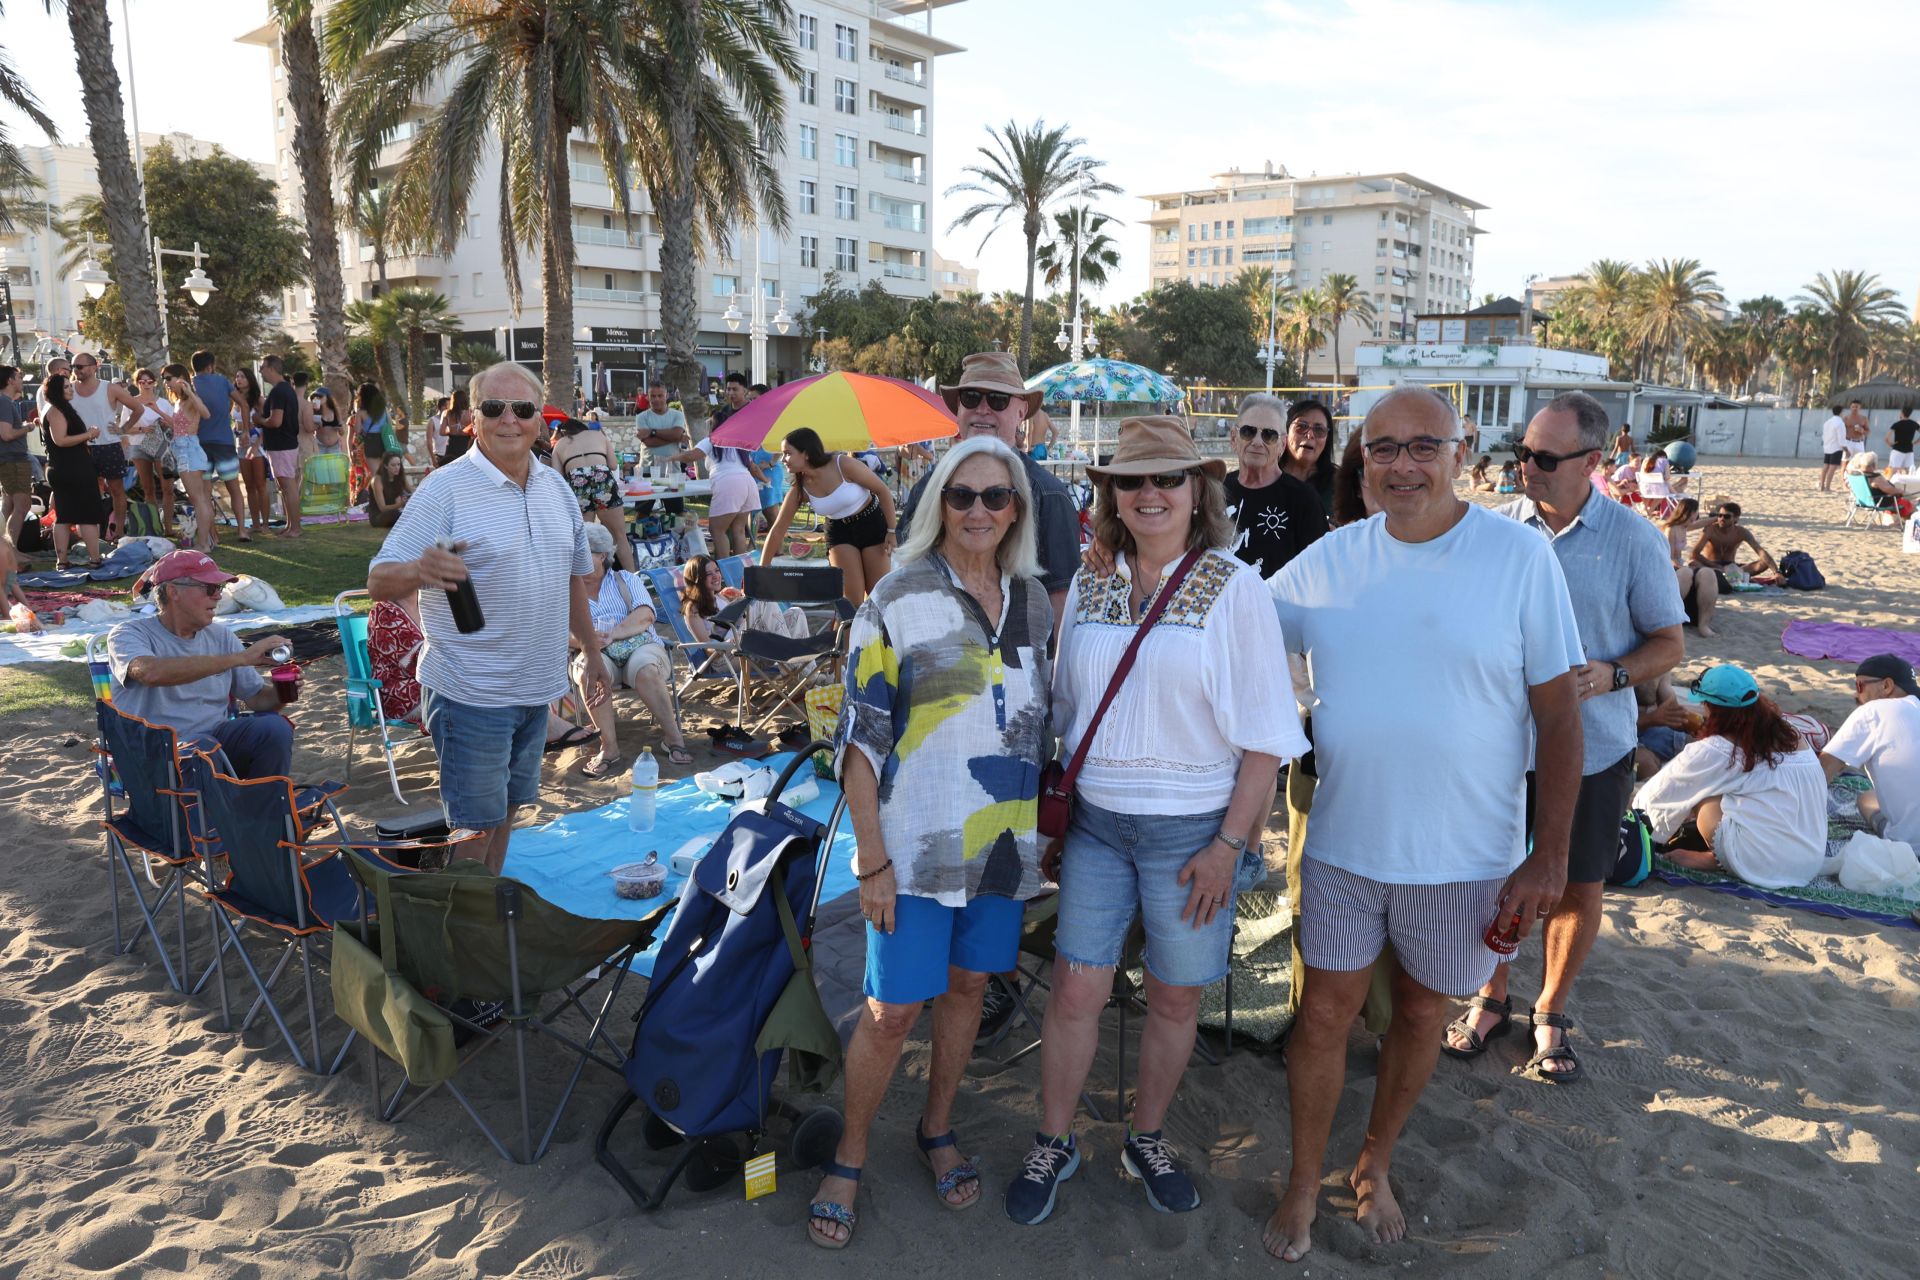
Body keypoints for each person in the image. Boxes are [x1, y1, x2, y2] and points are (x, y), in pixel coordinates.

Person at [1264, 385, 1584, 1263]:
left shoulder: (1520, 558)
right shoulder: (1329, 560)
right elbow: (1233, 631)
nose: (1402, 464)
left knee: (1418, 1016)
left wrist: (1546, 855)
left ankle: (1375, 1158)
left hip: (1468, 854)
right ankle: (1301, 1180)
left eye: (1422, 446)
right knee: (1323, 1018)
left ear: (1461, 451)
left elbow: (1559, 718)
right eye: (1383, 448)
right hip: (1344, 842)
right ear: (1360, 458)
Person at [1007, 417, 1305, 1227]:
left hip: (1192, 836)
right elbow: (1065, 709)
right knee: (1076, 989)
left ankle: (1147, 1136)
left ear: (1196, 491)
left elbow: (1266, 740)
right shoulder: (1093, 587)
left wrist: (1227, 847)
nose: (1149, 494)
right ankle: (1054, 1139)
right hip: (1100, 825)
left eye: (1166, 479)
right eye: (1130, 481)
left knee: (1175, 1000)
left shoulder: (1234, 588)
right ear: (1109, 497)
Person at [804, 436, 1053, 1248]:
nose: (978, 510)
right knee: (889, 1011)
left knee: (971, 994)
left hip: (1001, 852)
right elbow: (859, 746)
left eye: (995, 496)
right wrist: (870, 860)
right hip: (911, 852)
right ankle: (849, 1153)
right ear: (937, 502)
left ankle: (936, 1129)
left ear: (1016, 508)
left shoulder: (1035, 602)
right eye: (961, 495)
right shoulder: (896, 598)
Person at [1443, 393, 1686, 1084]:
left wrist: (1612, 674)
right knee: (1492, 878)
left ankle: (1549, 1009)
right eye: (1522, 452)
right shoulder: (1490, 529)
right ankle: (1490, 995)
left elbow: (1668, 643)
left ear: (1595, 460)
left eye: (1545, 458)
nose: (1527, 467)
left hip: (1595, 748)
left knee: (1577, 885)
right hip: (1492, 748)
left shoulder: (1634, 539)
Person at [367, 361, 610, 874]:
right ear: (473, 418)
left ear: (539, 421)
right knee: (474, 830)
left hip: (536, 691)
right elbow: (378, 580)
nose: (509, 421)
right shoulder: (445, 489)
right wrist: (418, 568)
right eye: (494, 409)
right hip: (470, 694)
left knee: (506, 816)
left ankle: (481, 918)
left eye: (521, 409)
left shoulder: (557, 490)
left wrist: (591, 653)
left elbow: (572, 580)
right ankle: (462, 936)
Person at [898, 351, 1080, 627]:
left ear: (1021, 411)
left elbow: (1061, 607)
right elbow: (906, 573)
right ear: (959, 408)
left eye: (998, 399)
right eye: (971, 397)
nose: (983, 409)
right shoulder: (927, 488)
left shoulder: (1048, 495)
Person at [106, 550, 297, 779]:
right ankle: (229, 808)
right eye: (210, 588)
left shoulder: (221, 636)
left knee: (274, 729)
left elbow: (257, 699)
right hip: (156, 753)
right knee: (204, 751)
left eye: (220, 588)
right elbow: (150, 672)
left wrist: (283, 691)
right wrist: (241, 658)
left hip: (214, 742)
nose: (217, 597)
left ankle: (264, 808)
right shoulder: (129, 634)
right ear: (173, 591)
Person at [1634, 666, 1827, 888]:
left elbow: (1655, 796)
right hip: (1811, 859)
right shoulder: (1792, 734)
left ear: (1712, 709)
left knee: (1704, 798)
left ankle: (1714, 860)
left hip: (1763, 863)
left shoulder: (1717, 749)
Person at [571, 520, 690, 778]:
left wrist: (612, 634)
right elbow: (559, 631)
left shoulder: (625, 579)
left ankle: (672, 737)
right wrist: (588, 640)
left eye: (583, 552)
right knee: (588, 673)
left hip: (639, 644)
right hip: (595, 651)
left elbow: (646, 614)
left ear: (602, 555)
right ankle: (609, 747)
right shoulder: (569, 588)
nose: (576, 557)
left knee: (646, 669)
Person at [759, 427, 896, 605]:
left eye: (788, 453)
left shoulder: (843, 464)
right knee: (851, 604)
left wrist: (892, 530)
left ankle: (883, 633)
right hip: (839, 532)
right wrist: (761, 570)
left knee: (879, 597)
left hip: (871, 523)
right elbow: (777, 530)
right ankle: (847, 631)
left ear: (806, 454)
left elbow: (882, 490)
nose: (783, 459)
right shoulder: (799, 490)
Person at [1218, 392, 1329, 578]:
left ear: (1282, 444)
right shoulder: (1215, 491)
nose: (1257, 442)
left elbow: (1318, 573)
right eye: (1248, 431)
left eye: (1269, 435)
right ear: (1233, 438)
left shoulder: (1303, 500)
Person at [1819, 655, 1920, 847]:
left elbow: (1820, 773)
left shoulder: (1872, 711)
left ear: (1886, 686)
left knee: (1866, 799)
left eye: (1859, 686)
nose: (1855, 695)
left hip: (1911, 847)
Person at [66, 351, 143, 540]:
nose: (76, 370)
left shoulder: (109, 388)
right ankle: (91, 533)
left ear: (94, 367)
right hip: (81, 447)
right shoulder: (69, 389)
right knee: (87, 491)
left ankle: (118, 532)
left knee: (117, 490)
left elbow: (138, 408)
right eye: (73, 366)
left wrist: (123, 428)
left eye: (80, 366)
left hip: (108, 445)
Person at [661, 424, 764, 558]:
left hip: (729, 484)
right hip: (747, 483)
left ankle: (722, 569)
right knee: (738, 530)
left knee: (717, 531)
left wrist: (671, 458)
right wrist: (765, 479)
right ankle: (739, 570)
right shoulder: (736, 443)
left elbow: (691, 456)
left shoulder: (712, 439)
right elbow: (753, 467)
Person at [552, 414, 637, 571]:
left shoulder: (560, 445)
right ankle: (633, 580)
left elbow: (557, 476)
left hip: (578, 484)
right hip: (602, 479)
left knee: (584, 539)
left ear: (565, 432)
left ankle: (588, 582)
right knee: (619, 537)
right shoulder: (598, 435)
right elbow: (612, 464)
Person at [39, 373, 104, 567]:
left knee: (65, 516)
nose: (70, 389)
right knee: (87, 516)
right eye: (66, 387)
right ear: (57, 390)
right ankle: (94, 559)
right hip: (72, 469)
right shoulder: (56, 410)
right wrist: (88, 434)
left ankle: (63, 561)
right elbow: (61, 440)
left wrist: (86, 436)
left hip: (64, 468)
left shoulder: (57, 409)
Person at [191, 351, 252, 542]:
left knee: (205, 492)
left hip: (200, 443)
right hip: (224, 441)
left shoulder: (190, 384)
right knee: (234, 487)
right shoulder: (222, 381)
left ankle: (213, 534)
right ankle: (242, 530)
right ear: (210, 365)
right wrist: (245, 431)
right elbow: (243, 403)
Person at [158, 366, 216, 553]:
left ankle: (203, 543)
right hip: (182, 449)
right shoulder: (178, 401)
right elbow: (178, 426)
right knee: (198, 499)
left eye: (169, 378)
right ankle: (205, 541)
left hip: (189, 450)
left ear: (181, 377)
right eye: (164, 379)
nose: (166, 382)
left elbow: (206, 414)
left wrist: (190, 392)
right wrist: (159, 413)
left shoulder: (191, 398)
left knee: (199, 499)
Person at [1688, 501, 1777, 611]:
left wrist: (1777, 573)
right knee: (1692, 563)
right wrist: (1717, 568)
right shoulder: (1710, 530)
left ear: (1736, 519)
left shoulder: (1741, 532)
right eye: (1719, 515)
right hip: (1712, 567)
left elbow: (1760, 550)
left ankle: (1732, 576)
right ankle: (1727, 576)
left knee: (1764, 562)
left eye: (1726, 516)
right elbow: (1694, 553)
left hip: (1733, 568)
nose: (1721, 519)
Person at [253, 355, 305, 538]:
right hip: (284, 444)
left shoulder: (278, 392)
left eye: (262, 367)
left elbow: (275, 421)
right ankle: (291, 525)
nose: (260, 371)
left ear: (272, 368)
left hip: (282, 444)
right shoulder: (285, 390)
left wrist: (259, 420)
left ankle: (296, 528)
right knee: (285, 486)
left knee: (288, 485)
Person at [122, 367, 177, 533]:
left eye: (149, 381)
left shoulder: (164, 403)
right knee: (148, 489)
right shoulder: (131, 403)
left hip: (162, 446)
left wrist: (162, 423)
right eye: (142, 381)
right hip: (139, 446)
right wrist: (142, 430)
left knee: (168, 488)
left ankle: (168, 528)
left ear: (155, 383)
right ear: (136, 383)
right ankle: (155, 527)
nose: (146, 384)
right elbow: (124, 428)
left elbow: (175, 425)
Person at [632, 381, 692, 522]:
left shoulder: (677, 415)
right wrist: (675, 437)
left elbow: (674, 433)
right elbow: (649, 443)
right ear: (648, 397)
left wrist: (652, 432)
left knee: (676, 515)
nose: (657, 399)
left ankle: (677, 543)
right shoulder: (641, 417)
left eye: (660, 395)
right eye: (653, 396)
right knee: (642, 513)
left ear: (667, 396)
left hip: (673, 472)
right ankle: (640, 541)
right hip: (646, 471)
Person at [233, 367, 275, 535]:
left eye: (242, 376)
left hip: (256, 445)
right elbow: (235, 421)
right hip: (241, 445)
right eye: (237, 376)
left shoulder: (258, 400)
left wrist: (257, 444)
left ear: (250, 379)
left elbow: (266, 424)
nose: (239, 379)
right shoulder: (234, 399)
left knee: (260, 485)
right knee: (248, 486)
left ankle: (265, 523)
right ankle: (255, 523)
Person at [1279, 399, 1337, 518]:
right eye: (1301, 427)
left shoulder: (1340, 484)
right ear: (1286, 431)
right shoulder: (1266, 476)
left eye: (1319, 430)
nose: (1310, 434)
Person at [0, 365, 32, 548]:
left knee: (10, 505)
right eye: (19, 377)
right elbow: (6, 434)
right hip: (13, 461)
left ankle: (7, 552)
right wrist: (27, 428)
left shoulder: (5, 401)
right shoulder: (4, 401)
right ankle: (10, 553)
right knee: (22, 506)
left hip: (9, 460)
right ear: (10, 380)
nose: (21, 381)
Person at [1845, 451, 1915, 519]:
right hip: (1881, 502)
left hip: (1863, 501)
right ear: (1874, 464)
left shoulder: (1856, 475)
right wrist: (1901, 491)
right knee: (1909, 503)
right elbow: (1890, 490)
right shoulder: (1876, 477)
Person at [366, 453, 411, 528]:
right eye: (393, 465)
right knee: (396, 514)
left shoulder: (399, 477)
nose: (397, 468)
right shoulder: (377, 480)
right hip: (379, 515)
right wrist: (399, 504)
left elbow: (411, 491)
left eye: (398, 464)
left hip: (395, 511)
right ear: (385, 466)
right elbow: (382, 508)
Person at [1819, 403, 1848, 491]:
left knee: (1825, 466)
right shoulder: (1840, 423)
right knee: (1832, 467)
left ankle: (1822, 486)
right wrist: (1846, 449)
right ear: (1841, 412)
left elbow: (1824, 435)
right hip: (1836, 448)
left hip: (1827, 447)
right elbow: (1841, 438)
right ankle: (1827, 487)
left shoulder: (1827, 422)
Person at [311, 385, 345, 453]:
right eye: (315, 397)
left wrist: (339, 428)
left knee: (334, 464)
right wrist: (317, 424)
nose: (317, 399)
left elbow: (342, 433)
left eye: (320, 396)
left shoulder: (335, 411)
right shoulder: (313, 411)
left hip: (334, 446)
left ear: (328, 397)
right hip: (319, 445)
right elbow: (310, 430)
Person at [1885, 406, 1918, 473]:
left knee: (1892, 470)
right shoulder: (1914, 424)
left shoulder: (1897, 424)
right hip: (1909, 450)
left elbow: (1886, 438)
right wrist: (1915, 442)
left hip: (1897, 449)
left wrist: (1891, 444)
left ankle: (1889, 483)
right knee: (1909, 471)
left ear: (1902, 413)